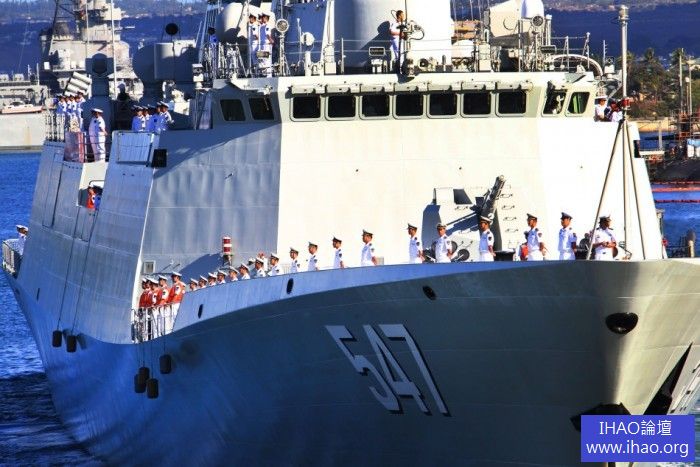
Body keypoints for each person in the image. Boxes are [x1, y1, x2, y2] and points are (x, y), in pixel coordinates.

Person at [258, 12, 273, 77]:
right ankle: (268, 75)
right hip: (266, 44)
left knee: (264, 59)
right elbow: (267, 34)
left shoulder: (262, 26)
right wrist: (271, 41)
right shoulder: (267, 25)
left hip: (262, 44)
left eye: (263, 17)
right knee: (267, 59)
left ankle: (265, 74)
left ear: (266, 18)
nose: (262, 18)